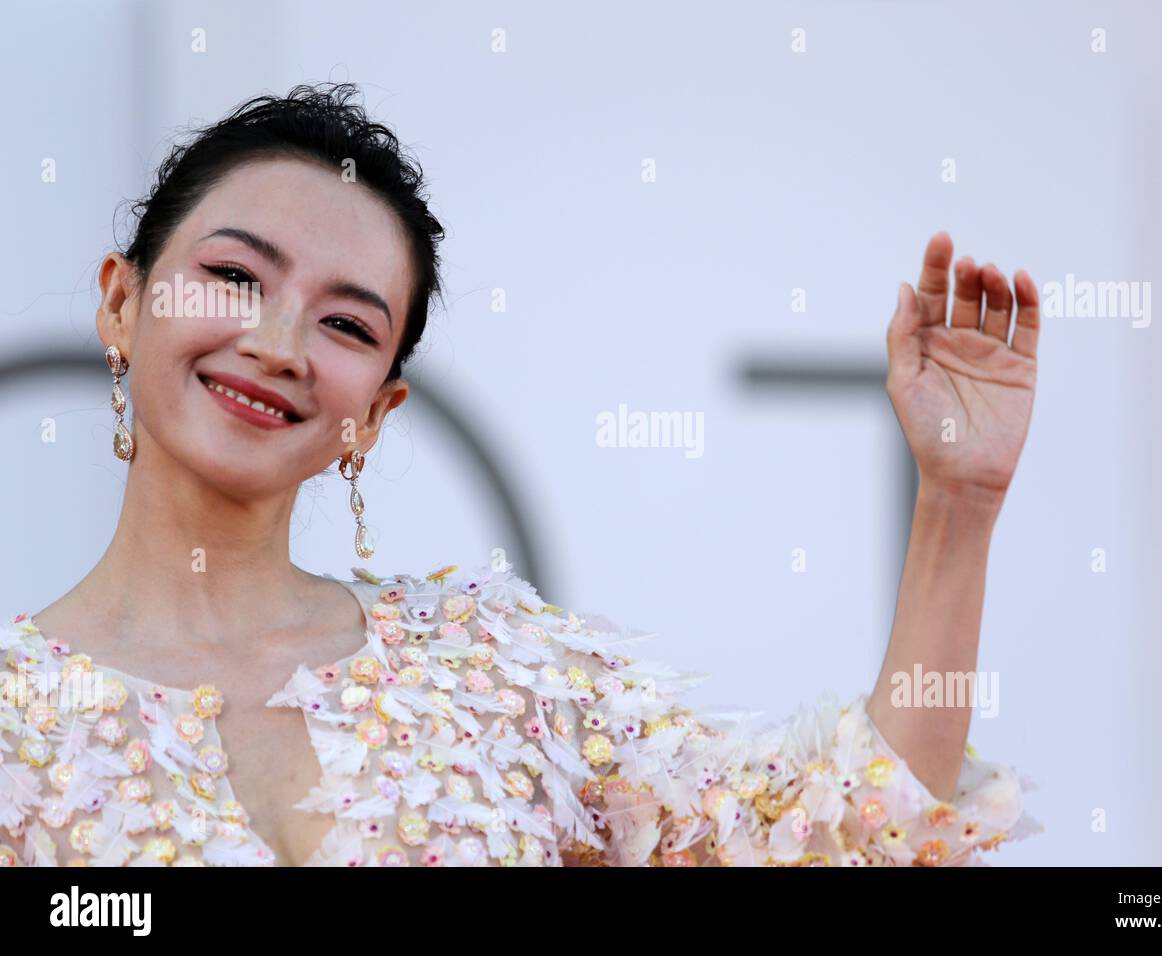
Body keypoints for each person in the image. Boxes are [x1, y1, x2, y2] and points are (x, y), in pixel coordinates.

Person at [0, 83, 1040, 867]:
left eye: (347, 322)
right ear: (122, 304)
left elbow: (852, 831)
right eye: (234, 276)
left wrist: (958, 501)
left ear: (376, 409)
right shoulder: (13, 719)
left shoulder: (499, 673)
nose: (278, 343)